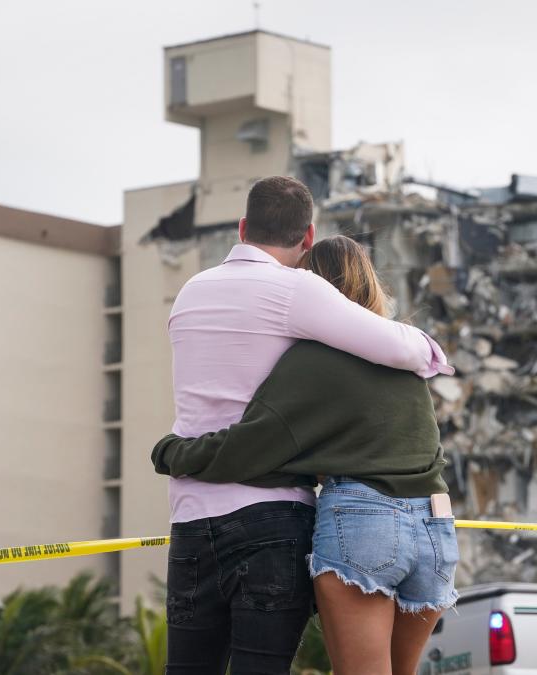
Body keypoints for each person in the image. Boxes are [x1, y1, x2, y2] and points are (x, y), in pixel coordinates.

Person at [163, 178, 451, 675]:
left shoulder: (190, 292)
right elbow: (404, 350)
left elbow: (257, 433)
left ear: (242, 227)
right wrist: (430, 352)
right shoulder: (299, 291)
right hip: (288, 517)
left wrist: (172, 453)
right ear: (307, 236)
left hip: (192, 514)